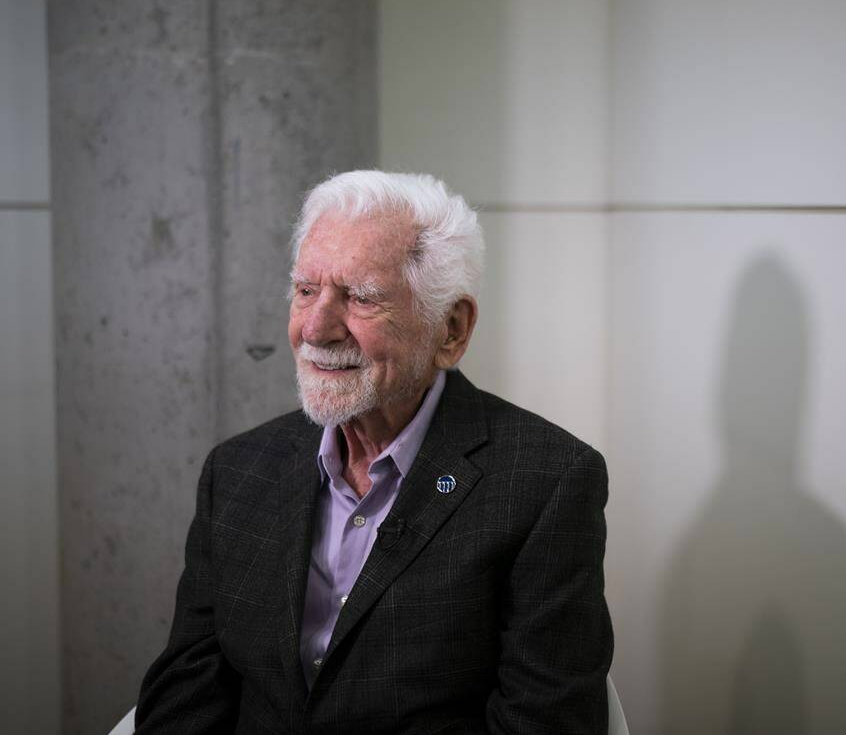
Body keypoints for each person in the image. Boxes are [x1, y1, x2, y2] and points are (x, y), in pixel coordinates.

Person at [136, 171, 613, 733]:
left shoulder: (545, 482)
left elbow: (547, 722)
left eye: (361, 297)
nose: (315, 328)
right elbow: (186, 696)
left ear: (451, 330)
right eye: (306, 290)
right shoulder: (237, 471)